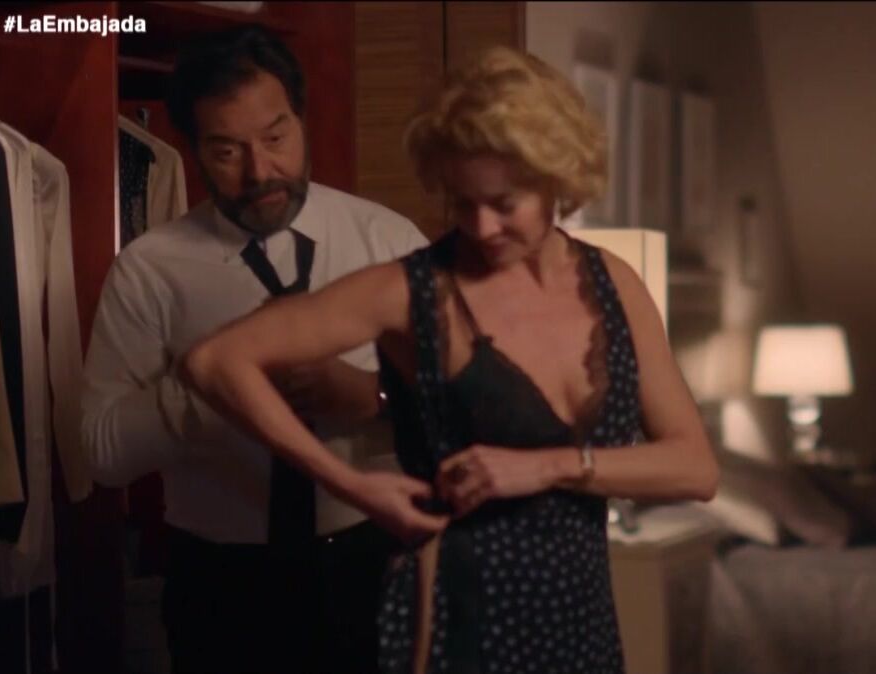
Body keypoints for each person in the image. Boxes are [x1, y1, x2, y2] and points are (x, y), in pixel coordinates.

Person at [180, 46, 719, 674]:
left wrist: (546, 467)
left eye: (504, 203)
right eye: (463, 204)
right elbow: (216, 361)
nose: (482, 228)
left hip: (582, 620)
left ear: (559, 178)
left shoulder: (613, 282)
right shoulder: (414, 292)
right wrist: (351, 484)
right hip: (458, 620)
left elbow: (694, 468)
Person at [79, 25, 433, 674]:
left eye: (276, 138)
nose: (260, 171)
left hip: (370, 563)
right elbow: (100, 453)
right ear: (193, 151)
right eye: (227, 150)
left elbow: (463, 415)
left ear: (301, 119)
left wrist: (372, 395)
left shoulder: (387, 241)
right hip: (220, 583)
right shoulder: (149, 270)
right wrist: (211, 383)